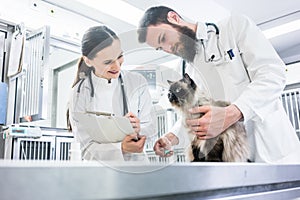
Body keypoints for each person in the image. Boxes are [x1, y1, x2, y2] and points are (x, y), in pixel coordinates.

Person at [137, 6, 300, 163]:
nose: (168, 48)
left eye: (163, 38)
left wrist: (233, 112)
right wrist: (172, 137)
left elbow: (272, 73)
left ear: (174, 18)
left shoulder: (233, 27)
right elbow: (194, 112)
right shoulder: (184, 68)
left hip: (272, 152)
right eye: (160, 48)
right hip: (231, 160)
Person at [68, 26, 156, 162]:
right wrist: (121, 148)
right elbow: (85, 149)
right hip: (100, 174)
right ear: (88, 61)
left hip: (137, 167)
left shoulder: (137, 82)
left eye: (120, 56)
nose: (117, 67)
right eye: (108, 62)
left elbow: (151, 128)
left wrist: (139, 130)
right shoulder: (79, 93)